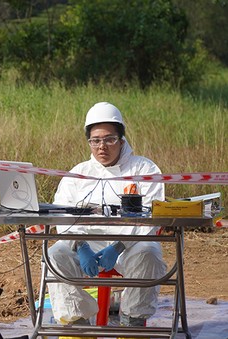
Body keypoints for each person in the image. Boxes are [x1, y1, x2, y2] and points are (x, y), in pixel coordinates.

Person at [47, 102, 167, 338]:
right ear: (89, 142)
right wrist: (80, 246)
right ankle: (78, 326)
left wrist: (119, 245)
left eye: (109, 139)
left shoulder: (144, 168)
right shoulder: (77, 174)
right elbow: (61, 217)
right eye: (95, 140)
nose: (102, 147)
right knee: (55, 254)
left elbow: (153, 217)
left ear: (122, 140)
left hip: (127, 246)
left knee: (149, 252)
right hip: (87, 245)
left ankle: (132, 324)